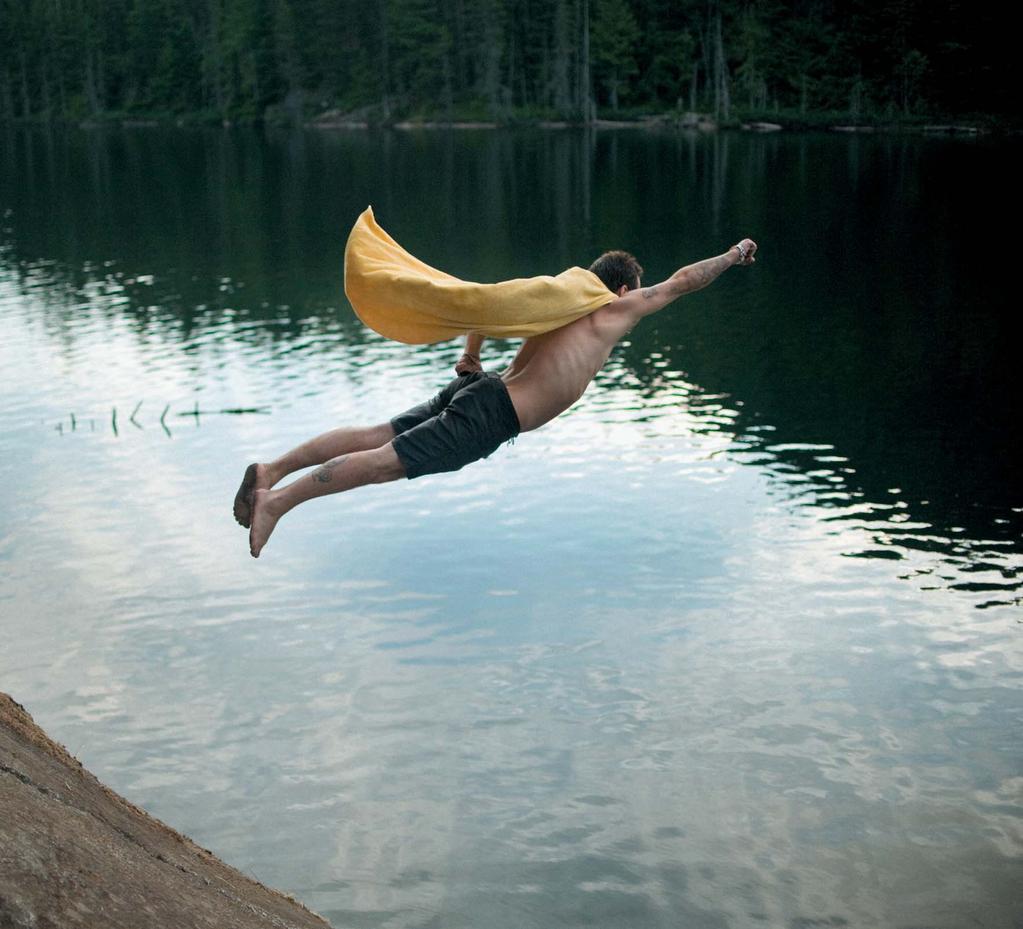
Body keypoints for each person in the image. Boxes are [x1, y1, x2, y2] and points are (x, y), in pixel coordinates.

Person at [235, 239, 757, 557]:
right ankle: (276, 502)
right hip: (495, 413)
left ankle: (271, 469)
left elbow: (489, 304)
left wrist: (471, 356)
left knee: (378, 434)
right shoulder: (607, 309)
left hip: (481, 388)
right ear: (622, 289)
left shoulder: (561, 298)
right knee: (384, 463)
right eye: (636, 291)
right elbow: (681, 283)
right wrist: (733, 256)